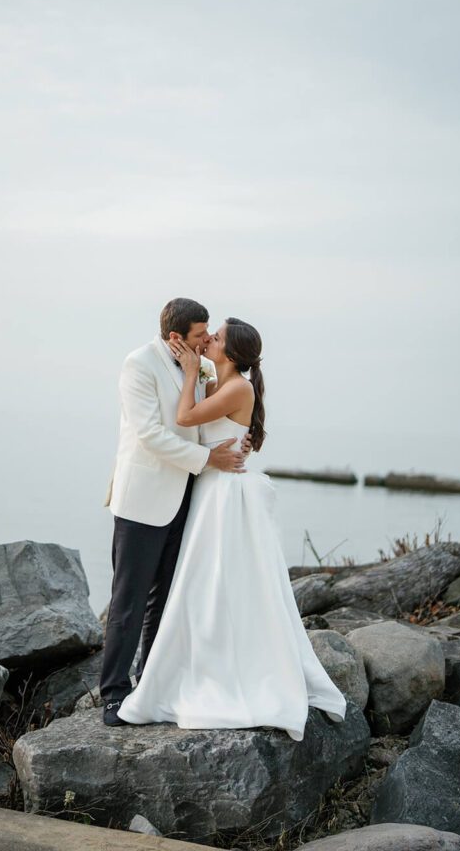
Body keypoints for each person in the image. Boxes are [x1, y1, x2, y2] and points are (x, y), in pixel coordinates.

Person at [116, 317, 347, 740]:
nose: (209, 340)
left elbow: (185, 417)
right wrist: (196, 376)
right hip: (206, 489)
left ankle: (226, 672)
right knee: (198, 586)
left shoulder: (237, 386)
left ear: (233, 352)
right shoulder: (215, 383)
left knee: (217, 584)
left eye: (216, 337)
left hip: (223, 495)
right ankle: (183, 668)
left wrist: (188, 373)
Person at [99, 298, 252, 726]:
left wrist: (232, 444)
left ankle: (149, 686)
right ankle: (113, 695)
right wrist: (208, 460)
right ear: (175, 338)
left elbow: (204, 422)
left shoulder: (197, 367)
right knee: (127, 603)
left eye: (208, 335)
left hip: (185, 500)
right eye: (201, 335)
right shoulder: (139, 365)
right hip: (143, 501)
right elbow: (149, 435)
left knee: (163, 601)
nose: (207, 341)